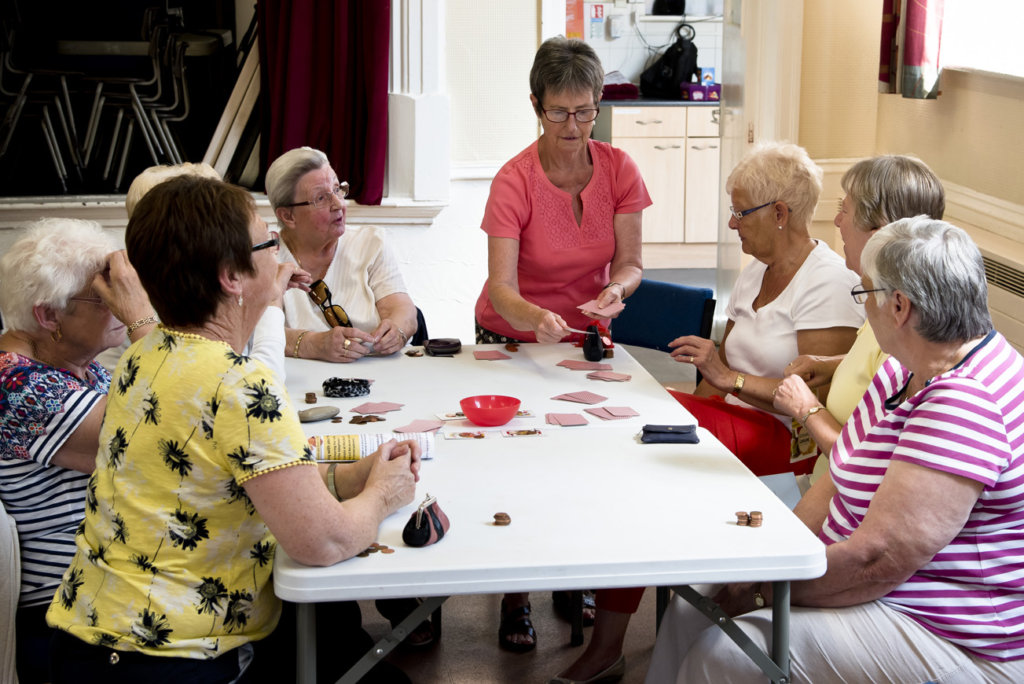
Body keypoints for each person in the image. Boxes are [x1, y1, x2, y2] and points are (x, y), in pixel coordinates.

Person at [45, 176, 421, 682]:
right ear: (231, 276)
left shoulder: (143, 355)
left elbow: (224, 476)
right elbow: (324, 544)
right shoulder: (242, 386)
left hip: (88, 639)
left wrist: (349, 476)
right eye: (268, 241)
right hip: (174, 660)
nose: (280, 254)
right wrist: (383, 494)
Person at [646, 217, 1024, 683]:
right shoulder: (902, 370)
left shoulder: (965, 403)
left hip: (948, 631)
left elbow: (877, 561)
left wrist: (766, 591)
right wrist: (771, 555)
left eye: (865, 295)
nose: (864, 308)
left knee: (726, 655)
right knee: (694, 607)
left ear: (900, 307)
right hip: (873, 585)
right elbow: (836, 481)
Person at [550, 142, 863, 683]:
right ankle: (605, 630)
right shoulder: (755, 270)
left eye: (740, 211)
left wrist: (725, 379)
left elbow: (808, 397)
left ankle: (605, 645)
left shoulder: (828, 282)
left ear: (779, 214)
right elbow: (723, 381)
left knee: (637, 441)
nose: (732, 222)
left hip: (787, 441)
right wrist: (702, 405)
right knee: (633, 426)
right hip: (738, 421)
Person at [473, 35, 650, 654]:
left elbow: (629, 263)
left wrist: (617, 293)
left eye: (585, 110)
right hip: (513, 333)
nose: (573, 126)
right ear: (536, 106)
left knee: (587, 461)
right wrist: (536, 317)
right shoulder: (513, 179)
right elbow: (501, 287)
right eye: (559, 112)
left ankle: (574, 574)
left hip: (587, 334)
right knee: (519, 465)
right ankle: (515, 593)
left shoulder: (620, 167)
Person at [0, 218, 155, 683]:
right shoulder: (15, 386)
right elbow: (167, 430)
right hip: (68, 621)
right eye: (104, 297)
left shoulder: (82, 373)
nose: (119, 307)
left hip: (107, 589)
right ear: (49, 316)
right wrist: (142, 318)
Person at [773, 155, 945, 483]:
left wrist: (806, 408)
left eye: (845, 209)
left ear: (880, 230)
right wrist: (833, 364)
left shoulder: (901, 320)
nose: (837, 221)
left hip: (842, 501)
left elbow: (864, 465)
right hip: (824, 486)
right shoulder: (885, 295)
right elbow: (877, 368)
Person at [95, 162, 308, 379]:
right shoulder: (140, 296)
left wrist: (259, 292)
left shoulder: (184, 287)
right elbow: (252, 383)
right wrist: (271, 297)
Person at [265, 146, 418, 363]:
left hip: (380, 373)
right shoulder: (266, 259)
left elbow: (403, 310)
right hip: (303, 384)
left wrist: (398, 331)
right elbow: (256, 330)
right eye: (320, 198)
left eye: (337, 190)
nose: (338, 204)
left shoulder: (370, 244)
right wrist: (313, 344)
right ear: (288, 216)